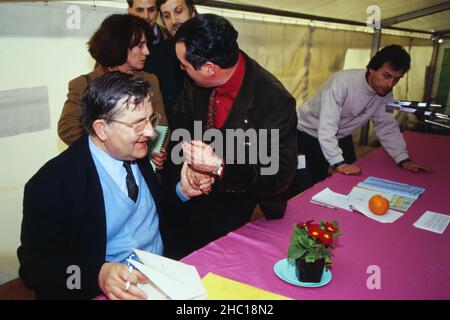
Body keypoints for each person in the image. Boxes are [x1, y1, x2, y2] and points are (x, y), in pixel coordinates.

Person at [162, 14, 298, 259]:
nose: (181, 69)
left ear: (210, 69)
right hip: (198, 199)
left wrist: (218, 166)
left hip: (244, 202)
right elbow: (182, 117)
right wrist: (191, 161)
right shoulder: (195, 79)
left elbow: (277, 176)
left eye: (184, 65)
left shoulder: (274, 101)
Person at [19, 72, 165, 299]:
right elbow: (35, 270)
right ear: (101, 129)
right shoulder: (50, 185)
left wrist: (182, 191)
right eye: (138, 124)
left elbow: (157, 212)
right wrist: (95, 275)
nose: (150, 131)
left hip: (163, 277)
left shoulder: (135, 150)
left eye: (150, 119)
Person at [296, 44, 431, 185]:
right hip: (307, 132)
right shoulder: (342, 83)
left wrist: (403, 159)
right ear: (372, 69)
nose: (390, 84)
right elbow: (327, 125)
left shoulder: (384, 92)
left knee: (352, 177)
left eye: (397, 79)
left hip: (340, 133)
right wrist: (338, 163)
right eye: (386, 76)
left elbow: (386, 126)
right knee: (313, 181)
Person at [57, 14, 168, 170]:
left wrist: (155, 149)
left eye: (147, 44)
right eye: (140, 46)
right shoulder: (83, 84)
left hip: (144, 168)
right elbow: (67, 128)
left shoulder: (150, 80)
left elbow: (161, 124)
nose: (147, 52)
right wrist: (109, 148)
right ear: (120, 46)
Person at [144, 0, 196, 127]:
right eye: (166, 16)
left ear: (192, 12)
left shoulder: (214, 48)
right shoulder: (153, 56)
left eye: (178, 11)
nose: (173, 21)